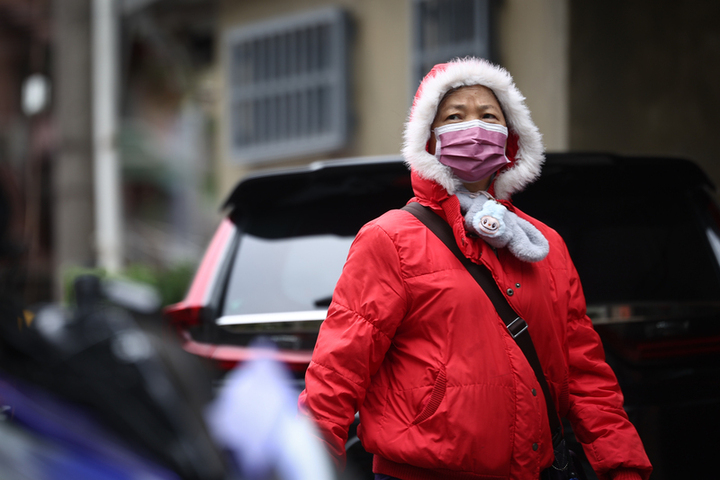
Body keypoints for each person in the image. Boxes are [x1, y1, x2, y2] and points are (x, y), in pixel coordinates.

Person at [299, 57, 652, 480]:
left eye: (488, 115)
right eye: (454, 116)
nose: (475, 128)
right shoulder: (389, 238)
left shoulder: (544, 246)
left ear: (511, 136)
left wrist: (623, 466)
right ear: (429, 137)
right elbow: (338, 370)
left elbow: (584, 372)